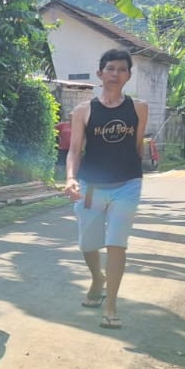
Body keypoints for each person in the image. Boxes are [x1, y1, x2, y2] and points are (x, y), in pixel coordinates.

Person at [65, 50, 148, 331]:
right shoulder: (83, 111)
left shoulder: (139, 108)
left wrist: (134, 176)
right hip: (90, 186)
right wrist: (71, 178)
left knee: (117, 243)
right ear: (100, 73)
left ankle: (111, 305)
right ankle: (97, 280)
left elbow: (137, 147)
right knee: (88, 243)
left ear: (128, 75)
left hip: (127, 184)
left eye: (122, 69)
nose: (115, 74)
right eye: (110, 68)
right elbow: (75, 150)